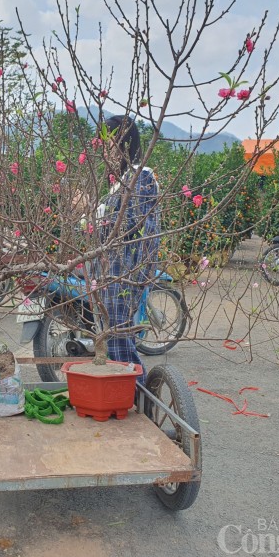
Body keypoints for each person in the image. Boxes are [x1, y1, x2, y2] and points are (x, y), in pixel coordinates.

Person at [93, 115, 160, 380]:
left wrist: (91, 209)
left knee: (120, 344)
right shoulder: (123, 180)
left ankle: (138, 398)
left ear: (124, 144)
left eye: (109, 145)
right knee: (113, 341)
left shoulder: (140, 178)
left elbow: (131, 224)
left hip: (125, 274)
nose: (105, 152)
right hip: (114, 271)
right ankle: (122, 396)